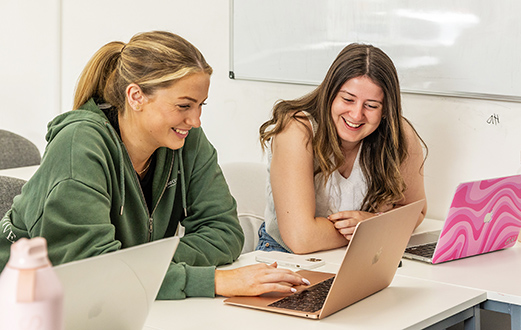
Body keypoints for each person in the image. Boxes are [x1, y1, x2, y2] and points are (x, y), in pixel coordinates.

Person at [0, 31, 308, 299]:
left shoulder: (185, 138)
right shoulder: (79, 144)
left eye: (201, 105)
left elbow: (225, 231)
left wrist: (136, 266)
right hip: (26, 298)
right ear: (135, 96)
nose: (196, 120)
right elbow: (90, 271)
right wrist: (208, 280)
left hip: (120, 297)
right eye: (184, 105)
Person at [257, 43, 427, 254]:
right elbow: (301, 239)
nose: (356, 115)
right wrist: (371, 227)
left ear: (386, 110)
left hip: (355, 253)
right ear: (330, 94)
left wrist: (371, 222)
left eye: (371, 105)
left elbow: (415, 211)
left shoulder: (398, 133)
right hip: (285, 255)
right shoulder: (296, 130)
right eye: (348, 99)